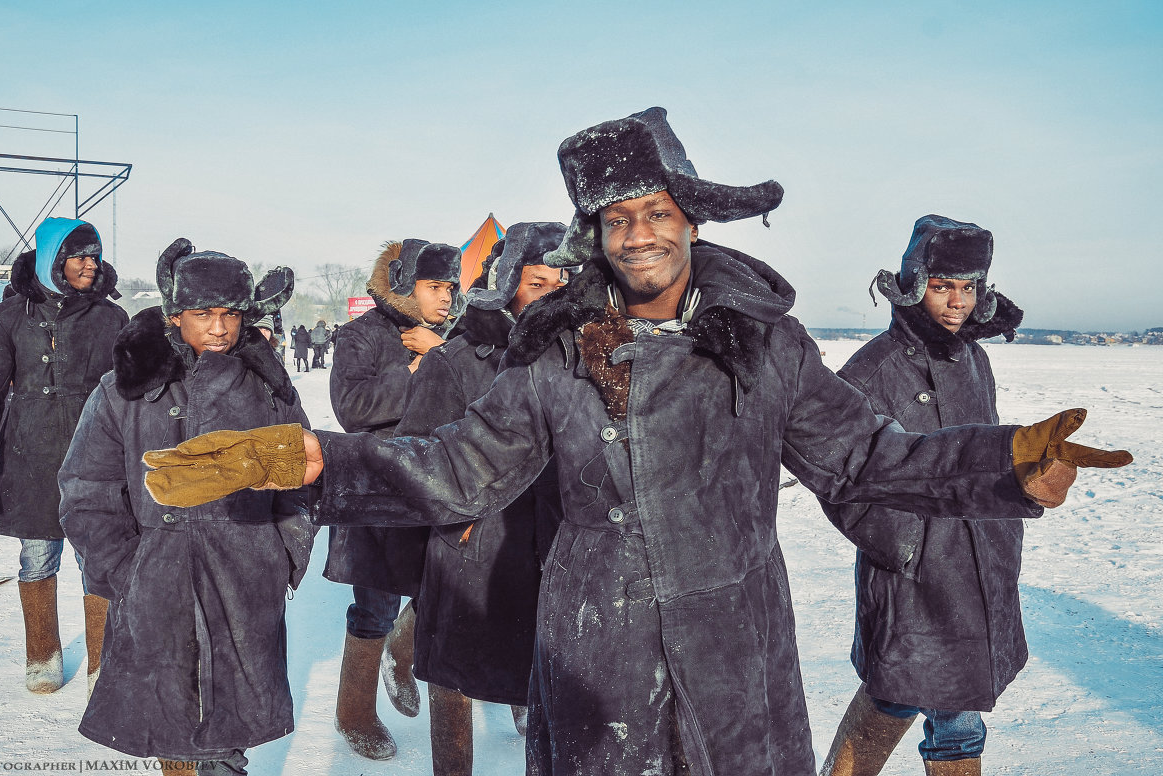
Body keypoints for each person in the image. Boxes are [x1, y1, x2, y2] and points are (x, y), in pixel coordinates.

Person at [141, 108, 1131, 776]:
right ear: (596, 233)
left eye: (658, 210)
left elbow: (870, 457)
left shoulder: (767, 346)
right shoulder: (553, 356)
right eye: (617, 216)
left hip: (735, 663)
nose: (639, 231)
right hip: (589, 662)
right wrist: (317, 461)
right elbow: (459, 466)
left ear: (689, 221)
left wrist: (1003, 462)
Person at [58, 240, 313, 776]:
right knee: (170, 720)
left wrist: (284, 551)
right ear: (175, 317)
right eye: (202, 314)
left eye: (230, 314)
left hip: (244, 573)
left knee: (230, 723)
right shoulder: (121, 393)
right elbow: (87, 490)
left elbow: (302, 480)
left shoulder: (268, 392)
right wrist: (125, 568)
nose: (218, 328)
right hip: (156, 579)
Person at [817, 216, 1031, 776]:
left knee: (961, 722)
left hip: (979, 567)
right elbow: (842, 480)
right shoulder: (871, 368)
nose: (958, 301)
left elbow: (978, 455)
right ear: (915, 283)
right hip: (913, 575)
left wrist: (1013, 499)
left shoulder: (974, 360)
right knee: (892, 696)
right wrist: (908, 546)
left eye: (969, 286)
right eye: (943, 286)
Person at [394, 223, 569, 775]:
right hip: (471, 545)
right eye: (539, 283)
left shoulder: (576, 355)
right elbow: (419, 460)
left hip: (552, 543)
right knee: (456, 674)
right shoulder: (456, 361)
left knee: (550, 680)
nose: (552, 297)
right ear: (507, 283)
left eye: (562, 283)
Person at [0, 217, 126, 695]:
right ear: (53, 259)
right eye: (78, 256)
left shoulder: (111, 319)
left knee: (99, 560)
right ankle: (43, 655)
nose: (89, 265)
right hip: (28, 455)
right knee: (37, 557)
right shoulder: (7, 317)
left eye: (94, 255)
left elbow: (135, 394)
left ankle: (102, 663)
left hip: (95, 457)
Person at [326, 239, 464, 760]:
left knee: (441, 590)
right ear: (404, 285)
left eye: (450, 286)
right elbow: (352, 408)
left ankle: (402, 654)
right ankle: (353, 710)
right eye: (435, 287)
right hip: (378, 491)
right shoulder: (359, 336)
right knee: (373, 606)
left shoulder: (454, 336)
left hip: (441, 483)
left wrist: (443, 356)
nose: (447, 297)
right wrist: (413, 371)